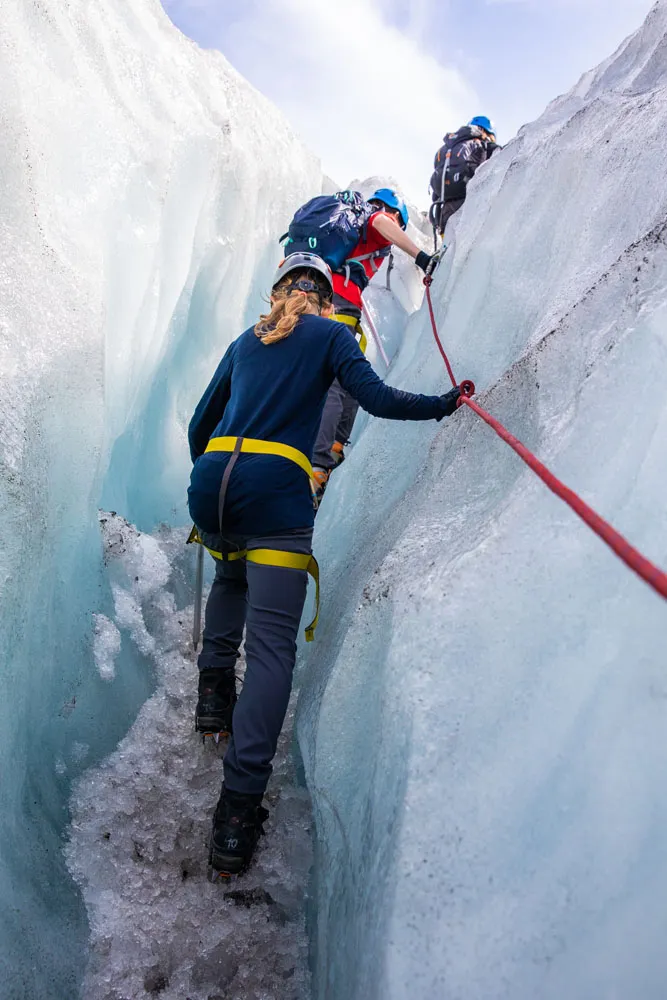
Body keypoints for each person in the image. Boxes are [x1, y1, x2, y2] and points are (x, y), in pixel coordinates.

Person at [187, 252, 461, 877]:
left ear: (279, 293)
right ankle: (236, 814)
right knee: (275, 647)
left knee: (231, 570)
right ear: (325, 297)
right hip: (275, 488)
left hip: (213, 484)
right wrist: (443, 404)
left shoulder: (246, 339)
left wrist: (214, 482)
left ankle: (211, 695)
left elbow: (201, 422)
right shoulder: (333, 335)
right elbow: (378, 398)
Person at [311, 187, 437, 499]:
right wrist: (422, 257)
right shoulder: (375, 217)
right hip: (337, 304)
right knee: (338, 382)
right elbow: (383, 223)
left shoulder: (348, 234)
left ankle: (333, 449)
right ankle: (317, 467)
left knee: (351, 378)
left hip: (325, 298)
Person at [429, 116, 499, 240]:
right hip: (468, 204)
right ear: (488, 131)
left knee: (449, 249)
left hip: (444, 211)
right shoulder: (483, 143)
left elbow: (436, 190)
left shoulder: (446, 148)